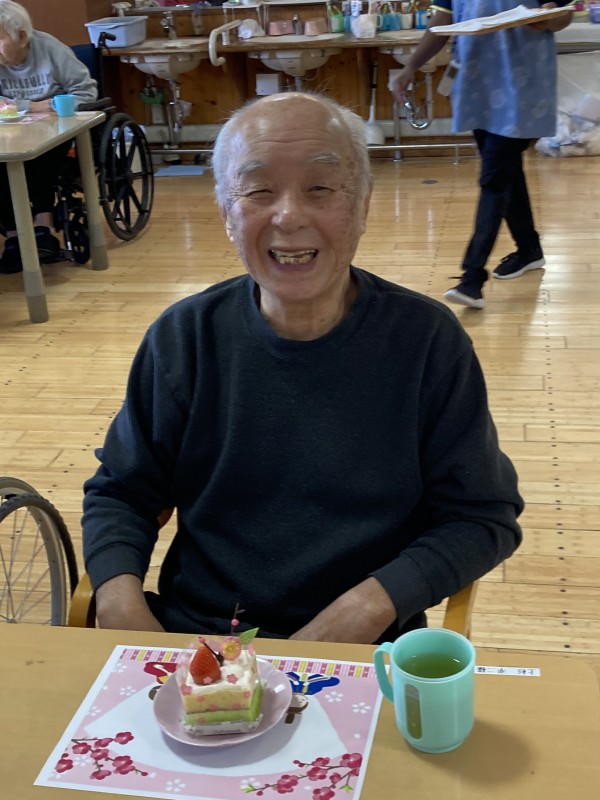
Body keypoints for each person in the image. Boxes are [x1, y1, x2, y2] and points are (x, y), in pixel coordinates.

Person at [82, 92, 523, 643]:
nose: (289, 215)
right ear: (226, 213)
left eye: (320, 188)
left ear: (362, 204)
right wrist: (122, 607)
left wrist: (369, 607)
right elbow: (123, 491)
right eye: (258, 190)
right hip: (199, 642)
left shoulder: (426, 341)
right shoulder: (184, 338)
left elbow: (481, 514)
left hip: (361, 652)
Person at [394, 1, 573, 309]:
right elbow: (443, 19)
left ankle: (472, 277)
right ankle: (529, 249)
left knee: (494, 178)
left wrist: (547, 20)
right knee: (505, 171)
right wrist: (411, 65)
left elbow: (563, 15)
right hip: (476, 82)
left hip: (522, 84)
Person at [0, 0, 97, 274]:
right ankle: (14, 237)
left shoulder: (51, 50)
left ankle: (44, 227)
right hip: (10, 132)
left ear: (21, 37)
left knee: (40, 159)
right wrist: (32, 106)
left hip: (55, 130)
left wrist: (52, 106)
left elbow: (86, 92)